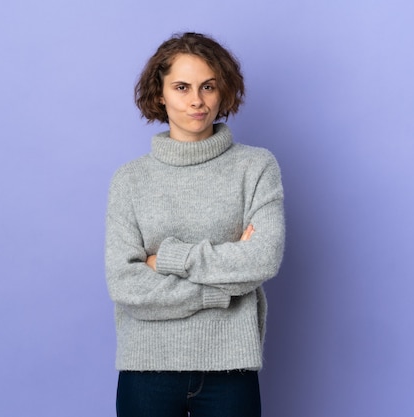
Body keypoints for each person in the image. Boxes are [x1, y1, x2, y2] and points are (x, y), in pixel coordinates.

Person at [105, 32, 285, 417]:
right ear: (159, 94)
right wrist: (217, 293)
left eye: (208, 86)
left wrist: (166, 258)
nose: (196, 101)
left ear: (224, 92)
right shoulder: (130, 180)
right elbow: (124, 283)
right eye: (182, 87)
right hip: (146, 369)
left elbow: (262, 260)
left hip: (229, 369)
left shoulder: (255, 167)